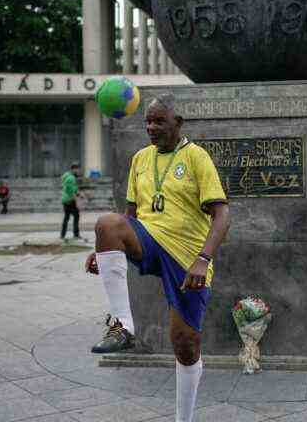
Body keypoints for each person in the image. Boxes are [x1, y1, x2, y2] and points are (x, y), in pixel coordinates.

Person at [84, 94, 230, 422]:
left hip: (187, 259)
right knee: (107, 223)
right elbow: (129, 216)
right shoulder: (140, 158)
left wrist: (203, 258)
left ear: (177, 123)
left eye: (159, 121)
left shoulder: (196, 157)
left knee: (185, 345)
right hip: (149, 241)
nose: (151, 127)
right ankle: (123, 326)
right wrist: (104, 247)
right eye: (147, 121)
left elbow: (222, 215)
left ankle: (184, 419)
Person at [60, 162, 82, 239]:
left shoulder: (67, 176)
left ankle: (62, 235)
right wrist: (77, 202)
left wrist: (79, 193)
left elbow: (74, 188)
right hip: (70, 200)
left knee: (66, 217)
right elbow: (71, 192)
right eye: (78, 169)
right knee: (76, 216)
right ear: (74, 169)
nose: (79, 171)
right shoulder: (71, 178)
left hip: (65, 200)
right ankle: (76, 234)